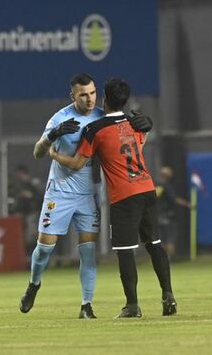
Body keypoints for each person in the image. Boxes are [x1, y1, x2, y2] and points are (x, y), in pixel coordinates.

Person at [19, 74, 152, 319]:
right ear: (73, 96)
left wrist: (145, 125)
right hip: (59, 191)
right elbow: (38, 152)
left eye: (92, 93)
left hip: (88, 193)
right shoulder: (60, 118)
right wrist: (53, 134)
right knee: (45, 248)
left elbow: (129, 142)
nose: (89, 99)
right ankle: (34, 284)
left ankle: (86, 305)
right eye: (83, 94)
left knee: (88, 251)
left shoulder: (102, 117)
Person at [49, 77, 176, 318]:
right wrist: (145, 126)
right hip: (147, 188)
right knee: (155, 244)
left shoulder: (94, 129)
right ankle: (168, 296)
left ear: (105, 99)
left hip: (124, 195)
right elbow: (140, 142)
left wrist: (55, 155)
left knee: (126, 250)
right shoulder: (133, 122)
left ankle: (132, 305)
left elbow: (77, 163)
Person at [155, 166, 192, 257]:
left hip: (158, 216)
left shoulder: (158, 185)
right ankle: (168, 260)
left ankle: (161, 260)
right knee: (170, 239)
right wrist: (187, 204)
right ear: (168, 175)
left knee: (162, 239)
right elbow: (174, 199)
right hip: (167, 216)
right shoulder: (166, 185)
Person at [7, 164, 44, 253]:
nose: (19, 176)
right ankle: (27, 255)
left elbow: (41, 196)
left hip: (33, 212)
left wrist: (30, 195)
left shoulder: (33, 182)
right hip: (23, 212)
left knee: (31, 236)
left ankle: (34, 254)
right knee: (22, 236)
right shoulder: (18, 184)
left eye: (20, 174)